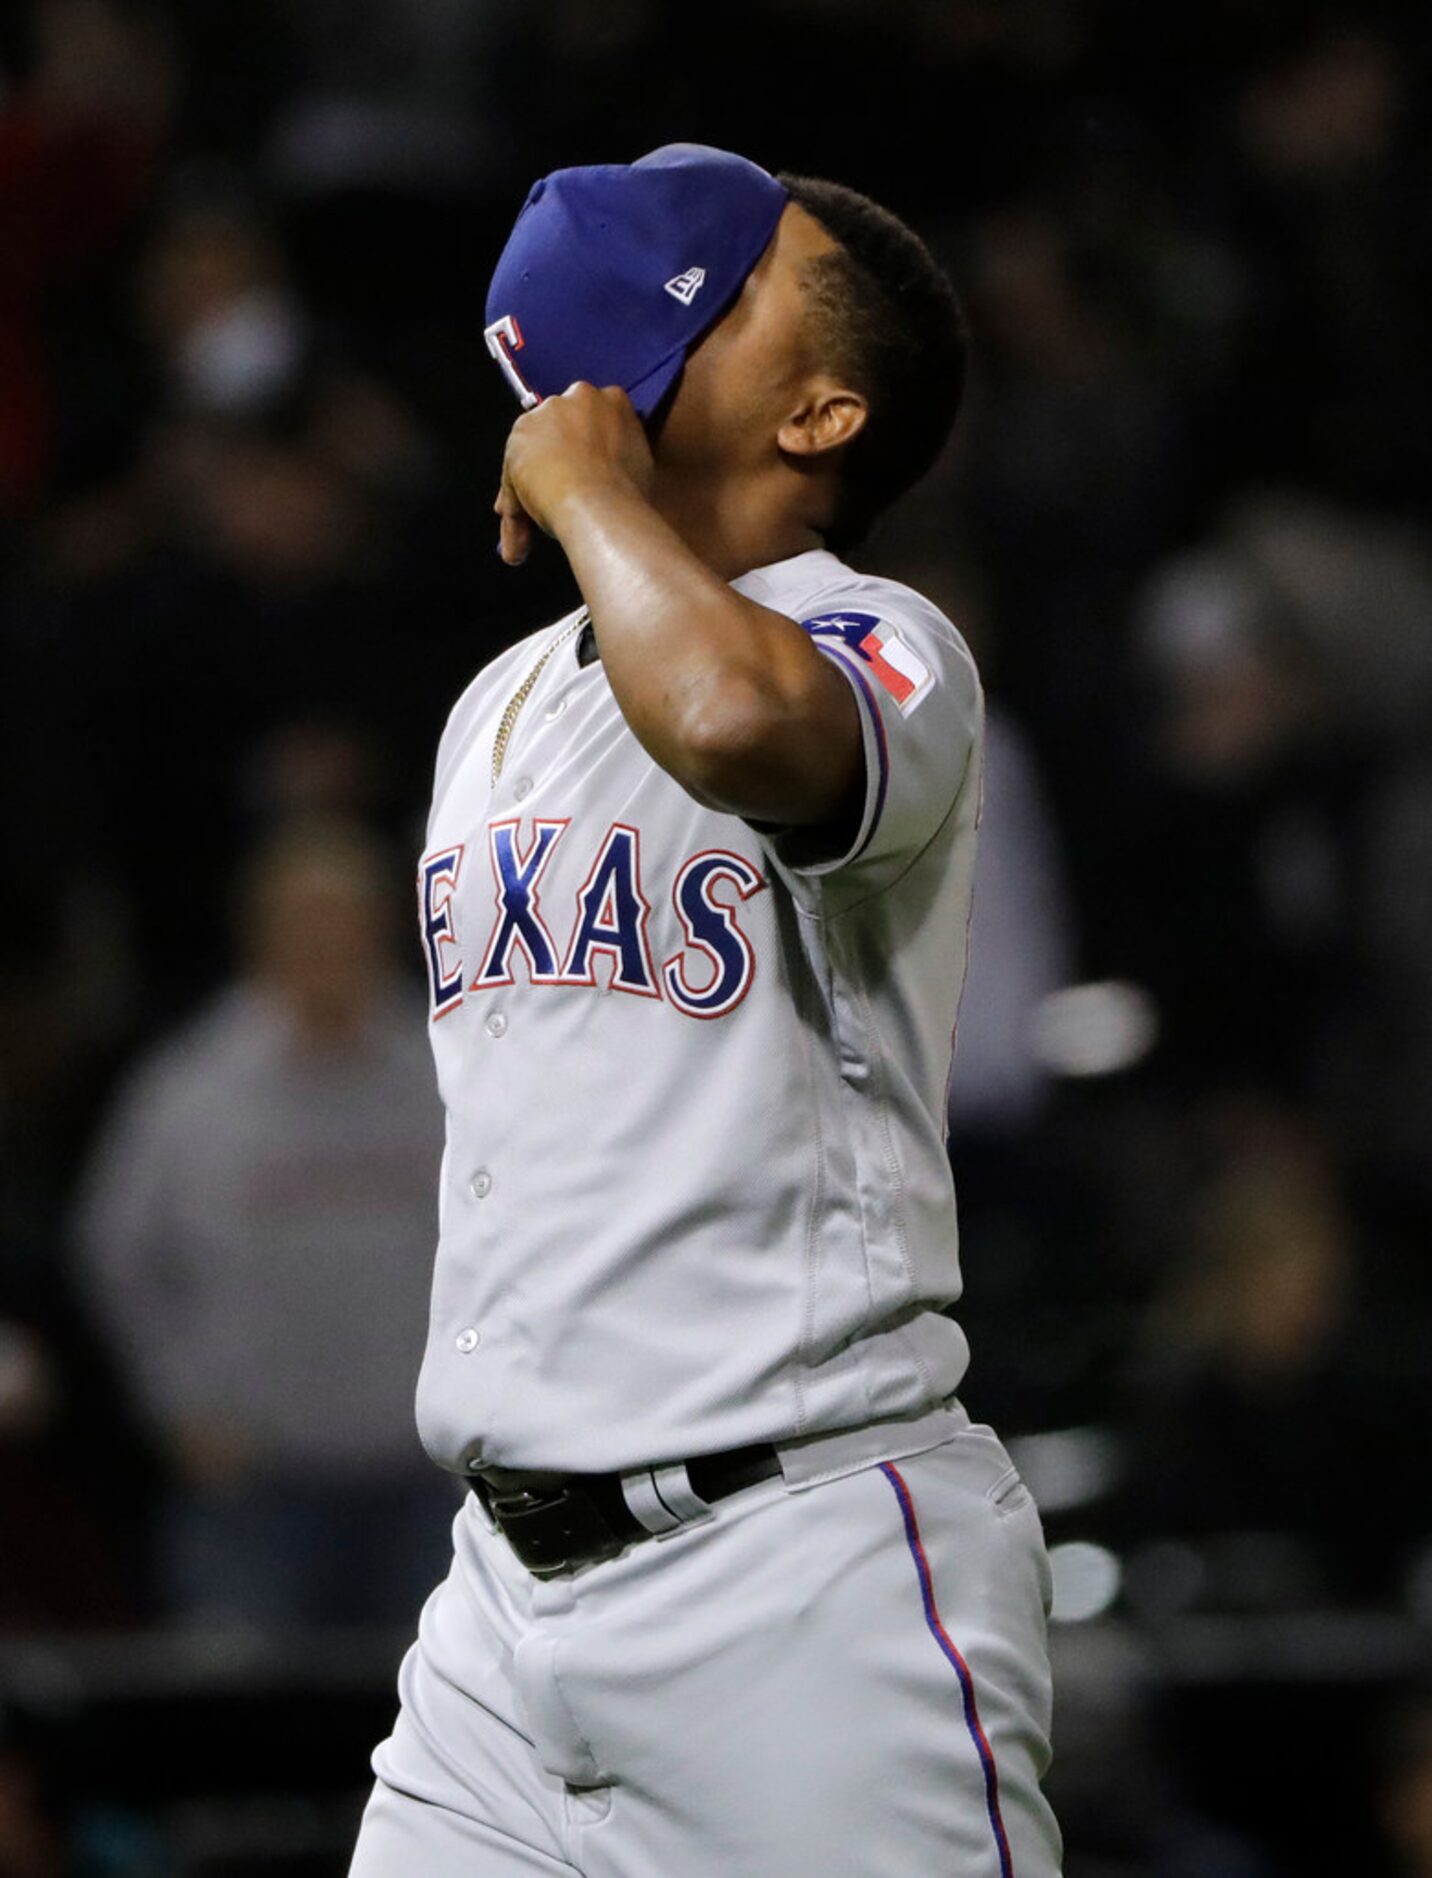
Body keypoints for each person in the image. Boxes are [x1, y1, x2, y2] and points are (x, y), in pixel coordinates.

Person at [351, 143, 1062, 1876]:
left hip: (802, 1575)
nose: (694, 274)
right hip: (501, 1610)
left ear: (817, 416)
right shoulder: (500, 703)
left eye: (739, 287)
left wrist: (594, 498)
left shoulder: (885, 640)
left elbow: (741, 725)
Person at [76, 816, 450, 1626]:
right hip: (253, 1487)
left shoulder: (450, 1070)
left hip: (431, 1482)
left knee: (453, 1733)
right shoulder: (188, 1092)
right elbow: (119, 1255)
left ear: (384, 927)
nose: (323, 942)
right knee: (242, 1733)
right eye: (301, 921)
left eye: (341, 919)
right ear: (259, 933)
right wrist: (178, 1405)